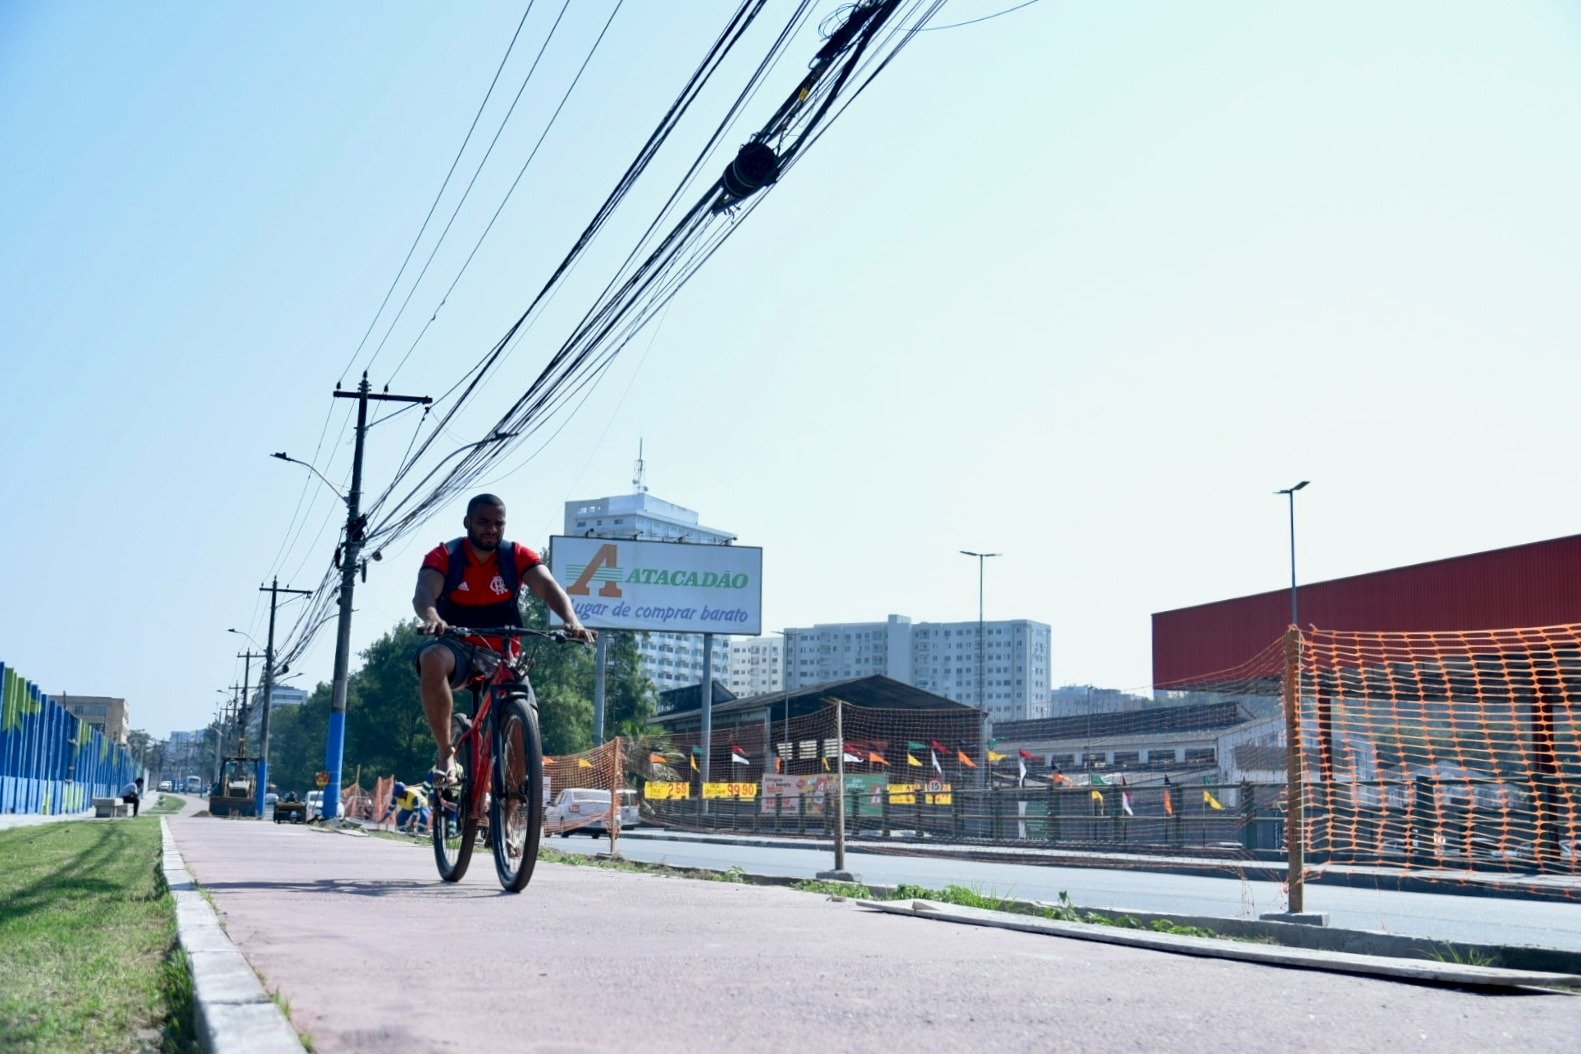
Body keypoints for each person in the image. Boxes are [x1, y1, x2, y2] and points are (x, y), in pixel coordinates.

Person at [412, 493, 595, 787]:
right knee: (431, 657)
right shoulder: (446, 556)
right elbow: (424, 591)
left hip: (502, 652)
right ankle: (446, 753)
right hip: (456, 645)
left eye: (499, 523)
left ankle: (507, 816)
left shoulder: (516, 556)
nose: (491, 529)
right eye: (484, 522)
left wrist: (571, 621)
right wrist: (432, 616)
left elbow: (549, 587)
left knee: (527, 725)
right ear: (467, 522)